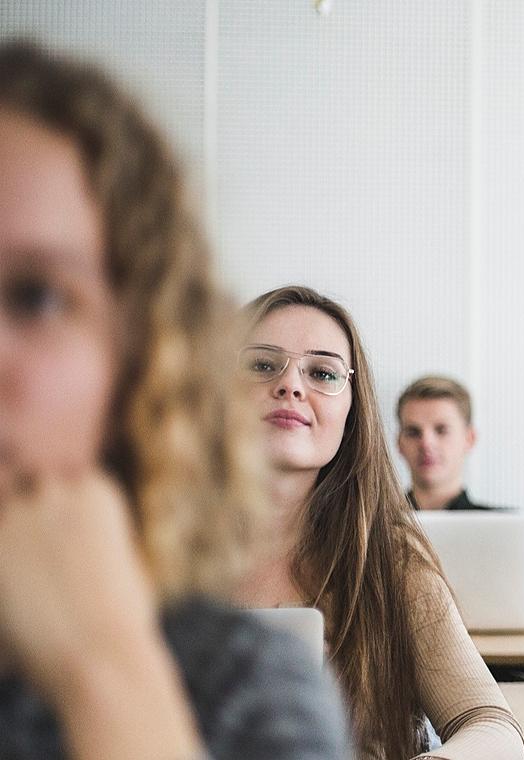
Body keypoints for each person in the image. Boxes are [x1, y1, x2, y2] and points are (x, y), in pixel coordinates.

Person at [0, 41, 348, 758]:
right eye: (265, 365)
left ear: (145, 357)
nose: (290, 387)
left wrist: (108, 674)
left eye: (35, 297)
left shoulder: (242, 687)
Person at [237, 286, 523, 759]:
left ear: (351, 413)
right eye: (263, 365)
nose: (290, 385)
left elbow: (492, 724)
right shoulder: (148, 551)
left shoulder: (389, 559)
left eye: (322, 373)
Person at [396, 375, 495, 511]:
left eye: (441, 430)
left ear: (469, 438)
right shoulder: (371, 522)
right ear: (399, 443)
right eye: (413, 432)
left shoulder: (505, 523)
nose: (426, 444)